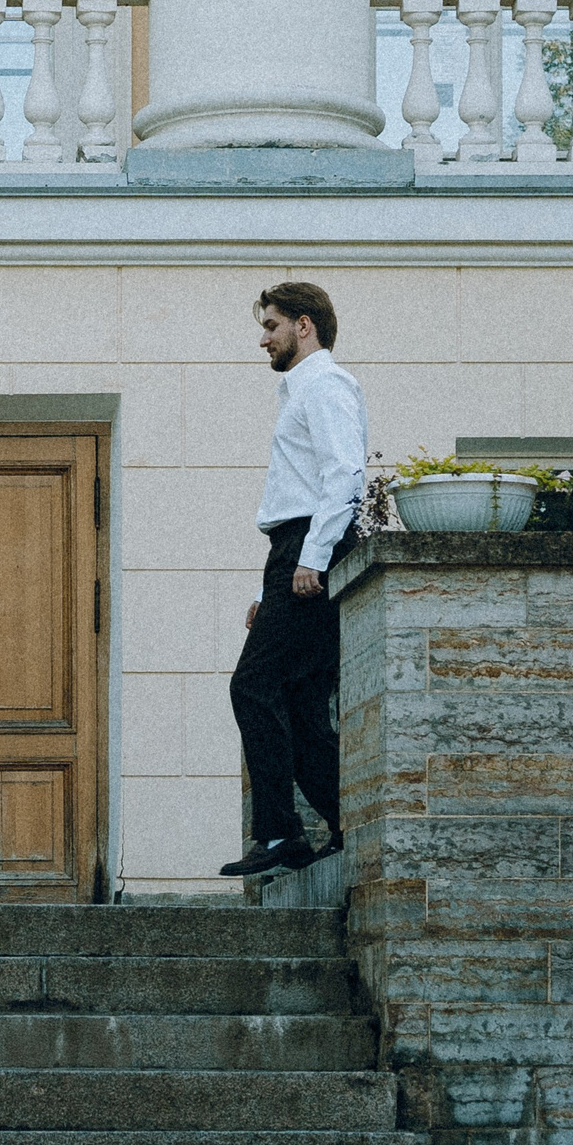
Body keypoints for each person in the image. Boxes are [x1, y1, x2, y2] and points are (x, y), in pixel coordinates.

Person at [220, 281, 368, 879]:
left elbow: (344, 476)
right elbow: (298, 494)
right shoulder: (302, 390)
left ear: (303, 326)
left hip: (311, 552)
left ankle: (280, 833)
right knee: (304, 706)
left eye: (272, 326)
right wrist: (267, 589)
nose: (264, 339)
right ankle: (345, 824)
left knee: (252, 686)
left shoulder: (325, 385)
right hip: (295, 551)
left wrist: (311, 559)